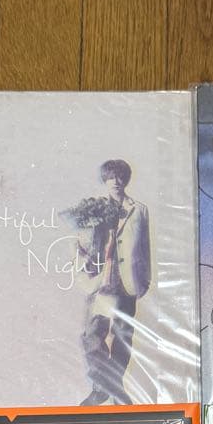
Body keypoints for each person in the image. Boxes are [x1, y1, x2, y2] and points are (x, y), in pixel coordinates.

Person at [77, 158, 151, 406]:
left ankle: (110, 388)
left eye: (120, 176)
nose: (115, 182)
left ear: (126, 179)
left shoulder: (139, 210)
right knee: (92, 336)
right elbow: (81, 244)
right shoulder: (94, 208)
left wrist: (145, 280)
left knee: (122, 338)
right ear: (104, 180)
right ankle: (105, 387)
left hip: (128, 282)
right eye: (110, 177)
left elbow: (144, 247)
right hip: (101, 280)